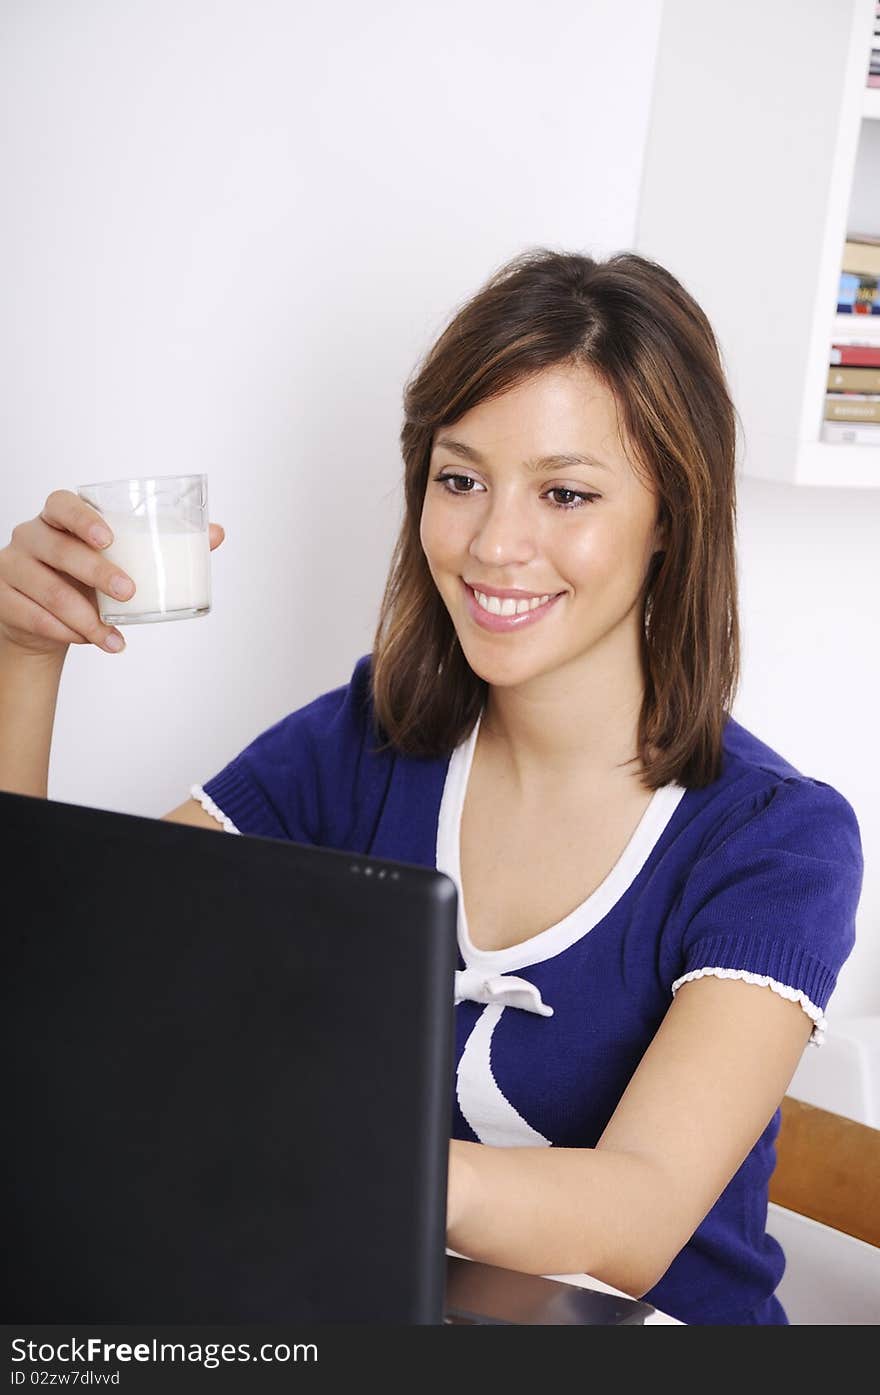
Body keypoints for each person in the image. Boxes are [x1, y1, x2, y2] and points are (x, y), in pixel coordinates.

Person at [0, 248, 863, 1326]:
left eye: (564, 492)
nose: (495, 543)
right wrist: (21, 656)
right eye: (460, 480)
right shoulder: (365, 742)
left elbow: (635, 1220)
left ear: (671, 521)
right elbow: (58, 987)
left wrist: (296, 1149)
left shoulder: (775, 839)